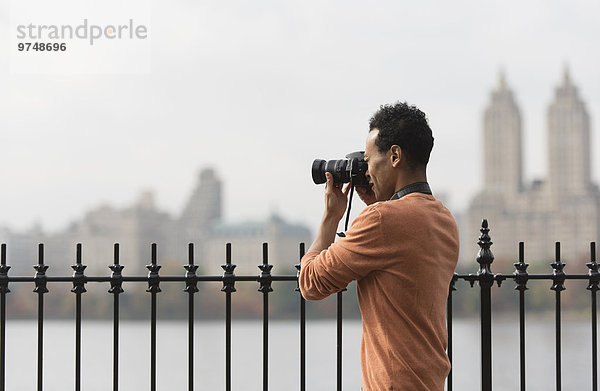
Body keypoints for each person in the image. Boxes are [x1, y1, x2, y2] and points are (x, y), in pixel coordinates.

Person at [299, 102, 459, 390]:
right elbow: (402, 256)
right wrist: (378, 204)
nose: (367, 170)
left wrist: (330, 217)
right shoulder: (444, 219)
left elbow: (311, 283)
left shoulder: (382, 221)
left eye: (370, 160)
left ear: (395, 155)